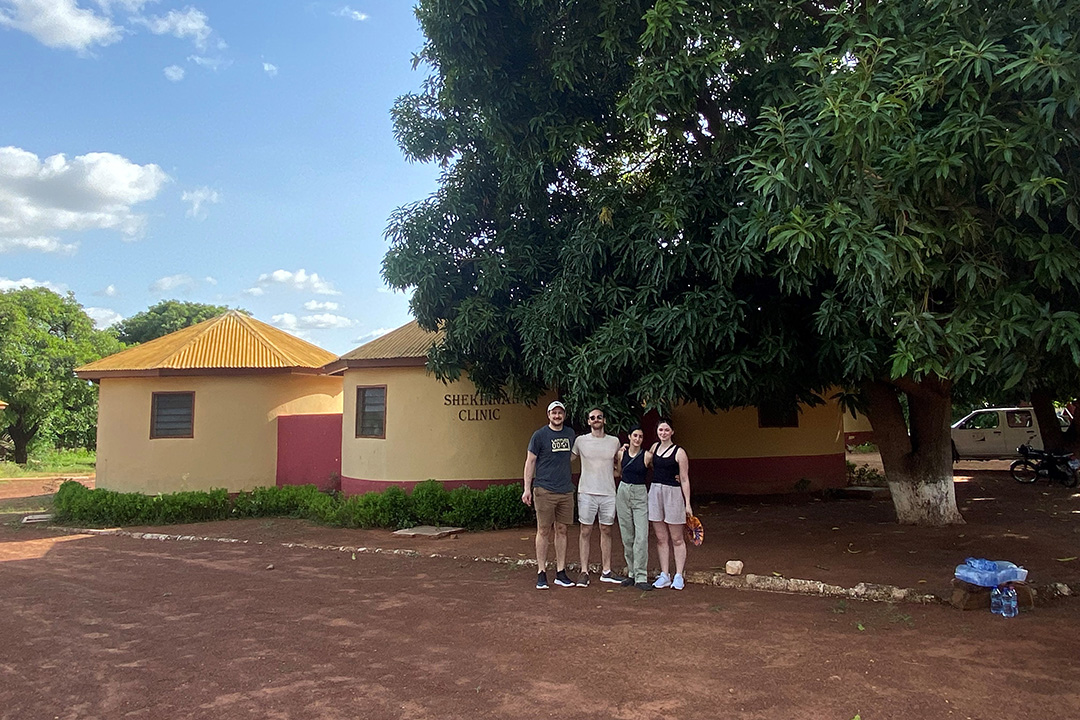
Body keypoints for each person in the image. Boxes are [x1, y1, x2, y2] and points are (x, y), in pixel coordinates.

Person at [522, 400, 578, 589]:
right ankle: (541, 572)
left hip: (565, 490)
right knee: (543, 530)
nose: (557, 416)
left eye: (560, 413)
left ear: (564, 415)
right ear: (548, 415)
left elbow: (573, 455)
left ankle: (561, 572)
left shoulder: (570, 434)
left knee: (562, 530)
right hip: (544, 489)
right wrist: (527, 488)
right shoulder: (539, 436)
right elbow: (530, 461)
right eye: (554, 413)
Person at [571, 408, 625, 587]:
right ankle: (584, 571)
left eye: (599, 417)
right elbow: (566, 459)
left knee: (606, 530)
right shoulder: (580, 441)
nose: (596, 420)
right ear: (588, 421)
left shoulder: (614, 442)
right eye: (592, 418)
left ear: (604, 420)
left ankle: (607, 571)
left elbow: (619, 466)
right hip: (586, 492)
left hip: (608, 492)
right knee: (585, 531)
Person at [648, 418, 693, 590]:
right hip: (655, 492)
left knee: (677, 538)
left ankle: (679, 575)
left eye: (666, 430)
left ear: (672, 432)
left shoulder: (679, 452)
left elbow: (684, 478)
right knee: (661, 538)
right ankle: (664, 574)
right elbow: (646, 462)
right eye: (661, 430)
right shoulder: (654, 448)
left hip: (673, 494)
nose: (663, 433)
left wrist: (687, 503)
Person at [616, 425, 652, 590]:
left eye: (640, 437)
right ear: (629, 437)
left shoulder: (647, 456)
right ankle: (631, 572)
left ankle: (641, 575)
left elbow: (660, 469)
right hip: (623, 490)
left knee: (642, 535)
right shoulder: (621, 453)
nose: (637, 439)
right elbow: (618, 471)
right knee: (627, 535)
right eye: (635, 436)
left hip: (639, 492)